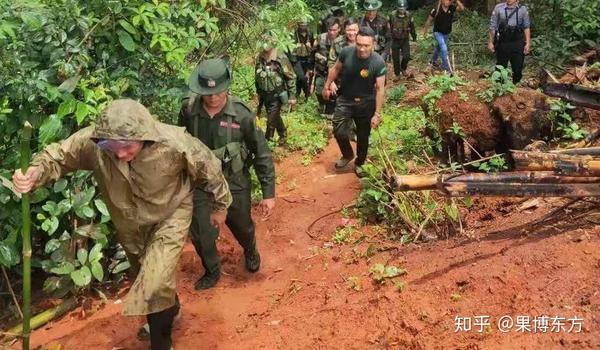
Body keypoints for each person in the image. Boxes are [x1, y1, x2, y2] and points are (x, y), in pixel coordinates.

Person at [12, 99, 232, 350]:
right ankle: (171, 309)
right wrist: (34, 173)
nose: (119, 154)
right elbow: (59, 155)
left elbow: (210, 168)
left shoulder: (174, 143)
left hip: (170, 214)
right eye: (110, 146)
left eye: (127, 146)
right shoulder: (94, 144)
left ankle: (162, 343)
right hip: (129, 222)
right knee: (145, 274)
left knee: (154, 282)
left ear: (144, 136)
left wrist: (220, 205)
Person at [179, 58, 276, 290]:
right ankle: (212, 270)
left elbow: (261, 152)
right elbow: (180, 145)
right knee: (201, 233)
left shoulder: (242, 114)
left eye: (218, 92)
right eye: (208, 93)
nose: (213, 98)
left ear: (227, 88)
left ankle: (250, 249)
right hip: (202, 184)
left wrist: (268, 192)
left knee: (241, 225)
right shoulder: (189, 110)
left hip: (234, 180)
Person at [322, 26, 386, 178]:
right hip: (345, 99)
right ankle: (347, 154)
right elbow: (336, 68)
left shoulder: (378, 62)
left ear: (373, 44)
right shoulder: (346, 52)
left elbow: (380, 89)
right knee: (338, 130)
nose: (362, 49)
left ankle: (360, 163)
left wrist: (377, 113)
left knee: (363, 135)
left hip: (366, 102)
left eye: (366, 46)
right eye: (359, 44)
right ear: (355, 41)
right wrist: (327, 85)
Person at [255, 36, 297, 144]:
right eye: (263, 41)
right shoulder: (260, 57)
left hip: (277, 94)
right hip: (264, 93)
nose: (265, 44)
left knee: (270, 121)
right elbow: (257, 76)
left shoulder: (280, 57)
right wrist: (258, 92)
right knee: (275, 116)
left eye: (267, 41)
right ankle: (283, 134)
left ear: (273, 42)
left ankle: (266, 143)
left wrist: (292, 96)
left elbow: (291, 76)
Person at [488, 0, 531, 84]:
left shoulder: (523, 9)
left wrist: (528, 43)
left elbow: (526, 27)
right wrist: (490, 42)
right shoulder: (498, 8)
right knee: (500, 67)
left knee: (518, 68)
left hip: (518, 42)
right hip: (503, 42)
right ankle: (499, 88)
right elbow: (493, 27)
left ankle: (516, 87)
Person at [423, 0, 465, 74]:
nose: (448, 2)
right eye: (447, 0)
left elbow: (462, 9)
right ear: (442, 1)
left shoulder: (451, 8)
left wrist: (457, 1)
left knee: (439, 48)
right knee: (444, 48)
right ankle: (446, 68)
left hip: (446, 33)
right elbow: (429, 20)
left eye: (449, 0)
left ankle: (432, 61)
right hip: (437, 32)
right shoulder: (436, 9)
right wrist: (425, 31)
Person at [313, 17, 341, 116]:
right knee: (319, 91)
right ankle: (322, 105)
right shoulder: (321, 38)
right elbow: (313, 51)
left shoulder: (342, 41)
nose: (332, 32)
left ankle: (331, 111)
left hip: (336, 72)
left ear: (339, 29)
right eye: (330, 30)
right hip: (321, 70)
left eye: (334, 30)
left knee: (334, 92)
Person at [389, 0, 417, 79]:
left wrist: (414, 36)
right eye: (400, 8)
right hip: (395, 39)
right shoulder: (392, 15)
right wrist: (388, 37)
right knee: (395, 58)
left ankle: (403, 68)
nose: (402, 10)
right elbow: (388, 27)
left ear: (406, 8)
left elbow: (412, 27)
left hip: (405, 39)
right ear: (397, 8)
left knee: (406, 56)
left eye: (403, 8)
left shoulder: (409, 15)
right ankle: (397, 74)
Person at [291, 20, 315, 101]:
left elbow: (314, 48)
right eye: (301, 25)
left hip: (307, 59)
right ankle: (307, 93)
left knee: (303, 78)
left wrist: (310, 47)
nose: (303, 27)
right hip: (297, 59)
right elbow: (289, 49)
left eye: (304, 25)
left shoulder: (310, 33)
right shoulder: (294, 34)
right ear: (298, 25)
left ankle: (301, 96)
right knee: (302, 77)